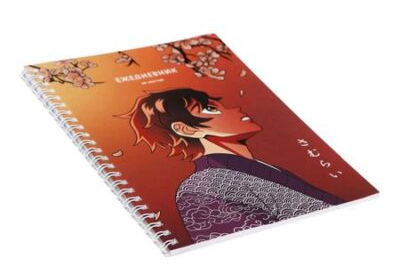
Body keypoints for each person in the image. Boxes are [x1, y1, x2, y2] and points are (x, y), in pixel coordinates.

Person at [120, 88, 344, 244]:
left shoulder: (263, 167)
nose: (235, 109)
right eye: (211, 110)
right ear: (188, 129)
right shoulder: (201, 188)